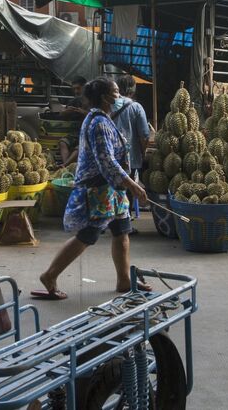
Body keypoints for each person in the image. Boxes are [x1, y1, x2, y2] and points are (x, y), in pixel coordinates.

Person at [36, 77, 149, 300]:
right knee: (88, 235)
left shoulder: (103, 120)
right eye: (115, 93)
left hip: (112, 190)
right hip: (99, 190)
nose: (119, 97)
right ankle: (49, 275)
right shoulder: (97, 123)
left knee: (122, 231)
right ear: (105, 97)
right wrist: (133, 185)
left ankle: (124, 280)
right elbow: (107, 161)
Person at [112, 75, 151, 221]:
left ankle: (107, 220)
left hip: (110, 156)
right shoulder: (136, 107)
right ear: (133, 90)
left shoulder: (109, 106)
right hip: (130, 157)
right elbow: (144, 135)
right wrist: (143, 152)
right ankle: (124, 220)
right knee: (127, 189)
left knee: (111, 188)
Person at [57, 76, 88, 166]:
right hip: (77, 133)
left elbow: (97, 115)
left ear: (85, 87)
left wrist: (84, 112)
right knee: (63, 142)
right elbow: (61, 115)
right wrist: (66, 112)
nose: (76, 92)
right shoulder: (75, 101)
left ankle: (65, 165)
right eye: (74, 89)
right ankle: (67, 167)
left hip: (88, 133)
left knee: (80, 147)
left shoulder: (93, 100)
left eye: (78, 88)